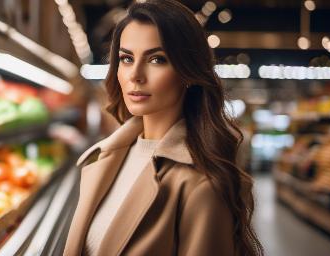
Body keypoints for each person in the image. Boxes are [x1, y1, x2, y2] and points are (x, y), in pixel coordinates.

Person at [64, 1, 263, 255]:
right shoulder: (106, 156)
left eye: (157, 59)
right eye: (126, 58)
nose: (135, 74)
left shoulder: (202, 186)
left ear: (187, 71)